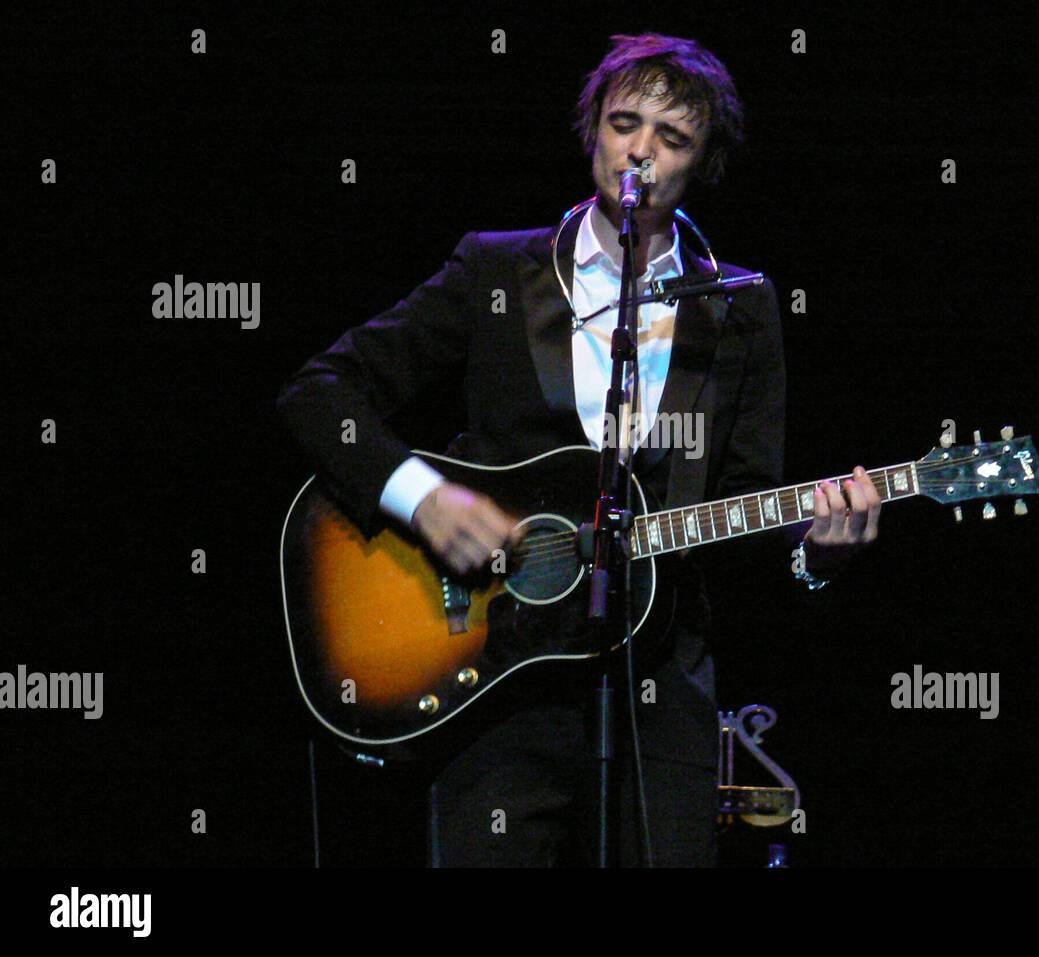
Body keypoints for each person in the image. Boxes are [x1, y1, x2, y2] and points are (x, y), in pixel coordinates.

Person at [276, 32, 881, 867]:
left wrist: (816, 553)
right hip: (492, 676)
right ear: (593, 128)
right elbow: (319, 393)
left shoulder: (741, 307)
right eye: (624, 122)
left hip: (659, 684)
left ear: (701, 162)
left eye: (672, 137)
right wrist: (423, 496)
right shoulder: (497, 271)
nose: (640, 150)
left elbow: (746, 501)